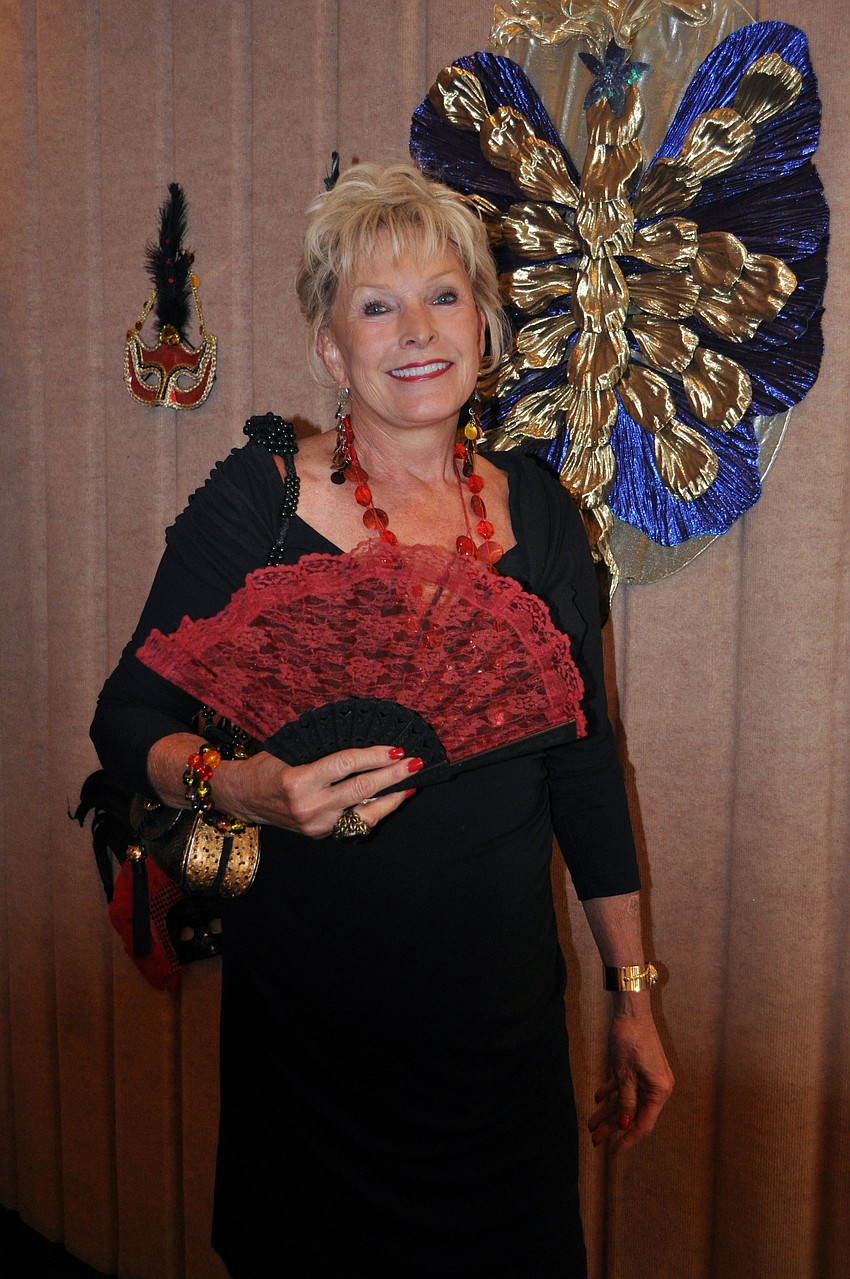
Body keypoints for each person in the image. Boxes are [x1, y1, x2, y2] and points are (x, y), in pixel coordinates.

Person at [91, 162, 673, 1278]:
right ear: (330, 346)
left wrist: (631, 990)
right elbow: (126, 718)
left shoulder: (540, 510)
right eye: (376, 304)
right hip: (313, 1048)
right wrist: (239, 783)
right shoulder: (258, 503)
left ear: (486, 325)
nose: (417, 329)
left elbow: (587, 769)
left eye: (445, 294)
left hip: (501, 1043)